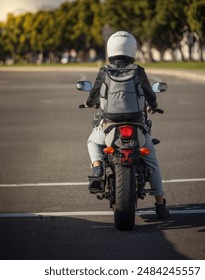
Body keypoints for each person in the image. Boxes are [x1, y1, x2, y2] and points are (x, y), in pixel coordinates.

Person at [81, 31, 169, 219]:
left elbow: (94, 94)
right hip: (137, 127)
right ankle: (160, 204)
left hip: (109, 127)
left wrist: (89, 103)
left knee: (92, 142)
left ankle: (97, 168)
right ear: (132, 49)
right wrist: (154, 106)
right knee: (152, 162)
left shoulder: (104, 71)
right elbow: (149, 95)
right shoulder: (138, 71)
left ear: (110, 49)